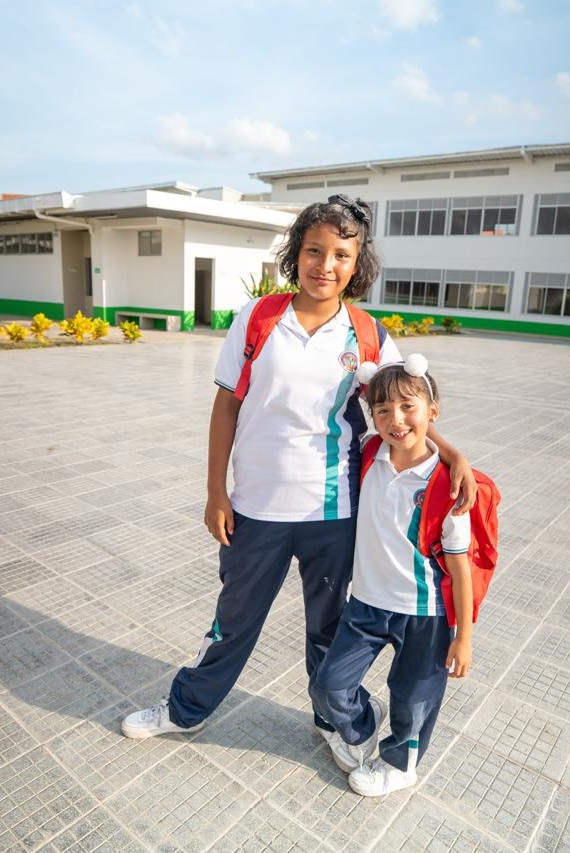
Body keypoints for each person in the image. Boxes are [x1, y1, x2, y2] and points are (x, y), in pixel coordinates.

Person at [121, 196, 476, 757]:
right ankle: (187, 710)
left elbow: (406, 405)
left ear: (356, 265)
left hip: (333, 515)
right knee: (232, 625)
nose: (325, 265)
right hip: (256, 508)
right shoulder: (257, 319)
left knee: (329, 635)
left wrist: (450, 453)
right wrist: (216, 491)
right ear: (296, 253)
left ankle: (337, 722)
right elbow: (226, 408)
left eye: (341, 254)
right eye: (314, 250)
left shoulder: (369, 336)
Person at [309, 357, 472, 797]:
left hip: (426, 613)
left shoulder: (447, 485)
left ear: (432, 411)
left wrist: (464, 636)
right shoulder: (368, 453)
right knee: (328, 686)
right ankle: (363, 721)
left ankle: (402, 764)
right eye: (382, 410)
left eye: (408, 407)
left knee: (413, 696)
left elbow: (460, 566)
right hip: (365, 603)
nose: (395, 420)